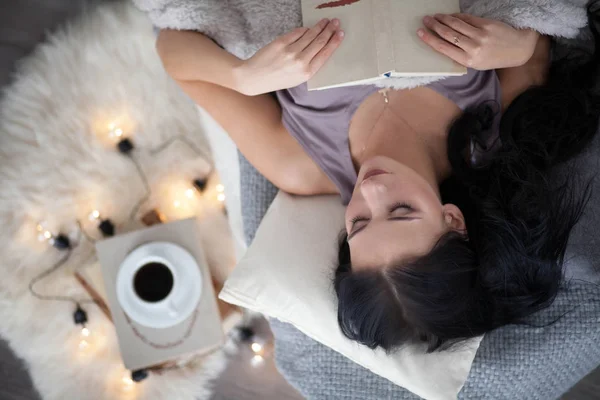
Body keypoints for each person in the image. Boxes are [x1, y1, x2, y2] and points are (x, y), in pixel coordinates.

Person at [156, 5, 600, 352]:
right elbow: (539, 37)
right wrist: (519, 46)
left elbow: (173, 47)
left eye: (359, 223)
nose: (370, 190)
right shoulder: (495, 133)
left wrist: (244, 76)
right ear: (453, 221)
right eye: (401, 211)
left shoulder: (298, 164)